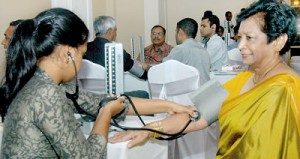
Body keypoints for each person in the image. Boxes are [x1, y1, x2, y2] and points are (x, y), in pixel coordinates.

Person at [109, 1, 300, 159]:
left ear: (278, 41)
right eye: (239, 37)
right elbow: (195, 115)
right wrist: (148, 130)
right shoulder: (244, 78)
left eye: (249, 38)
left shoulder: (284, 90)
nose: (240, 45)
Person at [0, 8, 195, 158]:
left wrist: (171, 105)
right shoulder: (46, 92)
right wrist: (105, 114)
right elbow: (89, 156)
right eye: (82, 54)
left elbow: (108, 102)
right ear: (67, 53)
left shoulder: (41, 83)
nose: (82, 61)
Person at [84, 16, 148, 80]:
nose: (116, 34)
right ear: (110, 31)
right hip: (108, 90)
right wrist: (145, 67)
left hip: (86, 89)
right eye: (115, 30)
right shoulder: (117, 51)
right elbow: (142, 74)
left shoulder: (83, 48)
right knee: (143, 90)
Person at [163, 18, 211, 86]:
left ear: (180, 32)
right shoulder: (204, 50)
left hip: (188, 94)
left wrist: (147, 67)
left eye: (176, 32)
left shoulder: (180, 49)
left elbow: (163, 69)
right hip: (204, 92)